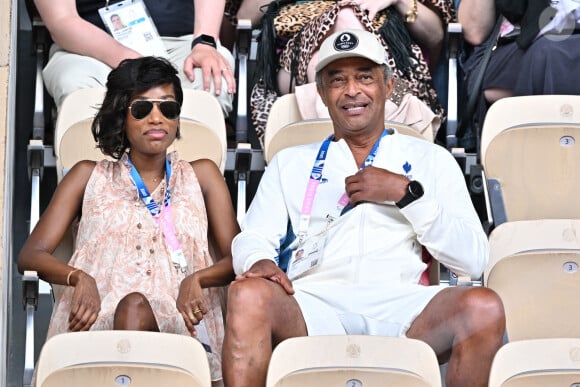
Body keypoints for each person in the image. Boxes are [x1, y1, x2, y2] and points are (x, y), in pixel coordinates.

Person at [222, 29, 505, 387]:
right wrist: (258, 262)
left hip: (403, 305)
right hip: (312, 303)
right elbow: (255, 237)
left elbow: (473, 260)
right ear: (322, 95)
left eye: (365, 77)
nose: (352, 90)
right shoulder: (290, 162)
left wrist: (406, 194)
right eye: (337, 80)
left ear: (387, 87)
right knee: (247, 293)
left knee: (484, 306)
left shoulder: (431, 159)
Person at [18, 56, 239, 382]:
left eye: (168, 108)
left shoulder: (202, 175)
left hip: (183, 318)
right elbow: (30, 255)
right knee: (133, 305)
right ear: (121, 115)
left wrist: (199, 279)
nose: (156, 118)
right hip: (98, 315)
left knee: (136, 307)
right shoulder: (86, 176)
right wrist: (79, 278)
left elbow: (241, 258)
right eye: (141, 109)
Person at [225, 0, 455, 146]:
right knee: (345, 15)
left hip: (383, 59)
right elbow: (242, 19)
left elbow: (436, 36)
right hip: (293, 64)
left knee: (339, 36)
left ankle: (338, 163)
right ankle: (401, 118)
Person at [35, 0, 236, 116]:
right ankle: (100, 185)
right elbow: (61, 20)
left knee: (212, 81)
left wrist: (205, 42)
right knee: (77, 86)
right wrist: (130, 60)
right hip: (88, 49)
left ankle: (188, 182)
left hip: (181, 41)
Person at [458, 0, 580, 149]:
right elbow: (474, 31)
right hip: (515, 46)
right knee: (550, 54)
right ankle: (549, 160)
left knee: (552, 55)